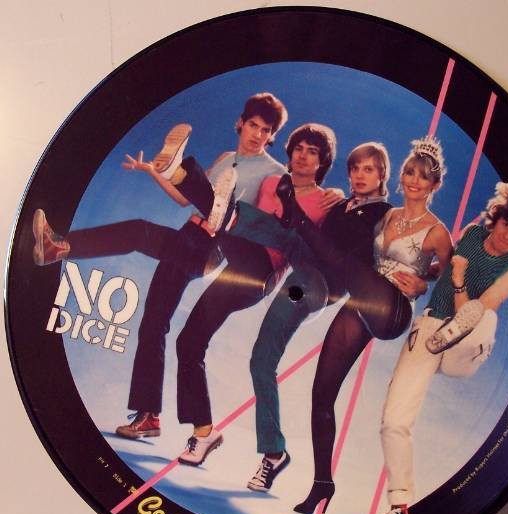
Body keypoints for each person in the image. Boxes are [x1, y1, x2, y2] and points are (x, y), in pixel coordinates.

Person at [32, 93, 289, 441]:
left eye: (266, 130)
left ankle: (62, 246)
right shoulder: (225, 158)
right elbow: (184, 198)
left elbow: (263, 223)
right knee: (153, 321)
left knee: (145, 235)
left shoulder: (274, 173)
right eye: (253, 125)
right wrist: (154, 172)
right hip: (188, 236)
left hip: (214, 245)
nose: (257, 134)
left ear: (272, 136)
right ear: (241, 123)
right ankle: (148, 417)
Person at [274, 137, 453, 514]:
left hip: (393, 309)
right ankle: (322, 484)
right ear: (401, 177)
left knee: (349, 265)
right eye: (409, 172)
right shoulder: (386, 216)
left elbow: (452, 271)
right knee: (321, 394)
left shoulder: (437, 231)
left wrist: (424, 282)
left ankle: (295, 218)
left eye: (423, 177)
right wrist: (337, 199)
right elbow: (351, 238)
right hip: (363, 300)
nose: (414, 180)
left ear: (434, 185)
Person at [371, 181, 508, 514]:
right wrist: (419, 280)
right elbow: (440, 273)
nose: (507, 236)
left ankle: (456, 337)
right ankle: (399, 510)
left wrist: (458, 279)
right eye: (506, 225)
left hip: (464, 349)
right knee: (393, 420)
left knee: (483, 318)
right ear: (496, 219)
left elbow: (468, 308)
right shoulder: (471, 235)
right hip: (429, 330)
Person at [174, 123, 339, 466]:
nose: (303, 156)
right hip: (237, 263)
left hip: (261, 272)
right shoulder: (270, 183)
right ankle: (203, 433)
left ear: (322, 162)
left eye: (312, 152)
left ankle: (183, 177)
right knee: (188, 341)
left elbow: (318, 253)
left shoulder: (327, 202)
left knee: (252, 222)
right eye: (299, 148)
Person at [246, 141, 395, 492]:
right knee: (260, 360)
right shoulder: (341, 204)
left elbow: (344, 259)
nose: (359, 175)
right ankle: (221, 209)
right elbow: (312, 239)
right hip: (306, 262)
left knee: (296, 284)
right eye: (355, 169)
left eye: (368, 170)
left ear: (382, 176)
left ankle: (272, 455)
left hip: (319, 285)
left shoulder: (383, 215)